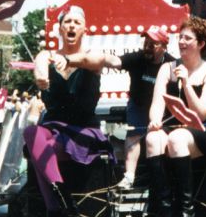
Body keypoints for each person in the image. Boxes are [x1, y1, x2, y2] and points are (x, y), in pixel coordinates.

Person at [26, 5, 116, 217]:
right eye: (67, 22)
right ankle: (68, 210)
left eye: (77, 22)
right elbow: (40, 65)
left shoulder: (93, 55)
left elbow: (88, 60)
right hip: (54, 131)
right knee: (31, 133)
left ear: (84, 29)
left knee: (40, 157)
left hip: (83, 133)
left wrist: (66, 60)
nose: (72, 26)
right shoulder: (46, 55)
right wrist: (42, 77)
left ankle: (57, 213)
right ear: (60, 29)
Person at [67, 26, 175, 190]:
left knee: (162, 138)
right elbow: (114, 61)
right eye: (146, 42)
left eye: (153, 44)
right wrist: (97, 58)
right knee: (133, 136)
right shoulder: (137, 58)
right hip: (138, 105)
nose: (147, 46)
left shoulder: (171, 64)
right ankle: (129, 177)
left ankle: (164, 176)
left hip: (163, 108)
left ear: (164, 46)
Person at [146, 16, 206, 217]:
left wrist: (187, 84)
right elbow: (156, 105)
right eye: (180, 37)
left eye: (187, 38)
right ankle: (165, 214)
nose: (181, 42)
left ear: (201, 44)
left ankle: (186, 212)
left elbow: (202, 113)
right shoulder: (166, 69)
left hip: (202, 131)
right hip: (173, 129)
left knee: (177, 138)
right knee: (153, 140)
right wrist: (155, 121)